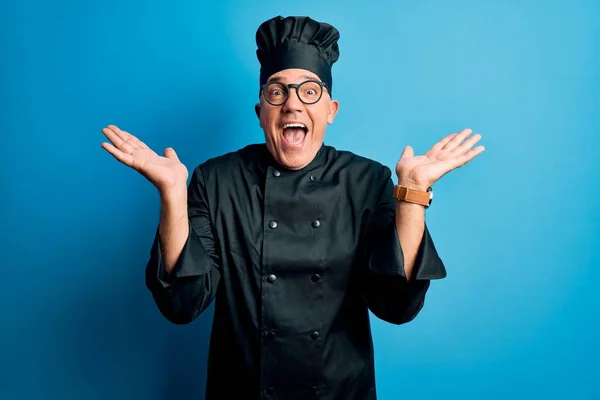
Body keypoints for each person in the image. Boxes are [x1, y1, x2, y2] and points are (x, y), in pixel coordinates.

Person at [101, 15, 484, 400]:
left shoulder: (366, 181)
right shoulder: (216, 180)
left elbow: (397, 305)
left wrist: (413, 193)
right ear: (260, 111)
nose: (292, 105)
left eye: (309, 92)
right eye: (277, 92)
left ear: (331, 110)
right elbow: (182, 304)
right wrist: (171, 193)